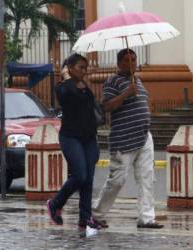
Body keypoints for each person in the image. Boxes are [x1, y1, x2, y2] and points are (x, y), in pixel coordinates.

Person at [92, 49, 164, 229]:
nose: (131, 63)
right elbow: (106, 106)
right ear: (119, 63)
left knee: (147, 177)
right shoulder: (112, 81)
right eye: (127, 60)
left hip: (143, 135)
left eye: (133, 59)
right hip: (124, 139)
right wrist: (126, 94)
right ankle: (97, 214)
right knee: (117, 180)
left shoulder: (137, 81)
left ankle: (146, 217)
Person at [46, 53, 105, 230]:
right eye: (80, 67)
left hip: (89, 137)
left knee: (88, 180)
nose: (84, 71)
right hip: (70, 137)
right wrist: (66, 77)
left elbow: (90, 108)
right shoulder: (62, 87)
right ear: (69, 68)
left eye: (85, 68)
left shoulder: (84, 86)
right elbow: (68, 97)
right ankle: (55, 203)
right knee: (80, 175)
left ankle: (85, 218)